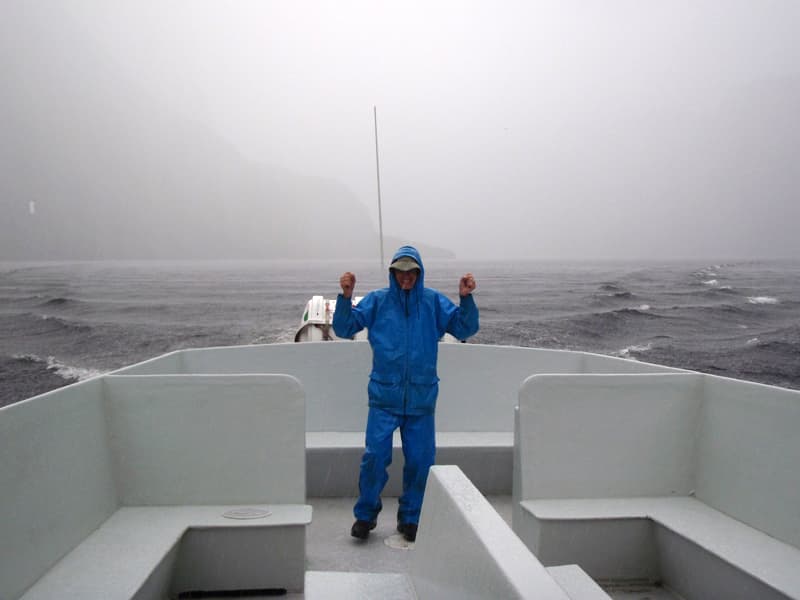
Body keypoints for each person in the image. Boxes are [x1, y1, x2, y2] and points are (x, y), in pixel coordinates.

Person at [333, 245, 479, 542]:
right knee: (375, 457)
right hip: (384, 399)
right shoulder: (377, 301)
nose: (406, 278)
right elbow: (344, 326)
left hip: (421, 400)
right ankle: (365, 515)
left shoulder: (433, 303)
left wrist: (466, 298)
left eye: (411, 272)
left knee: (421, 462)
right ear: (392, 273)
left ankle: (411, 517)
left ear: (419, 272)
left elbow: (465, 327)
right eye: (400, 272)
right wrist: (346, 297)